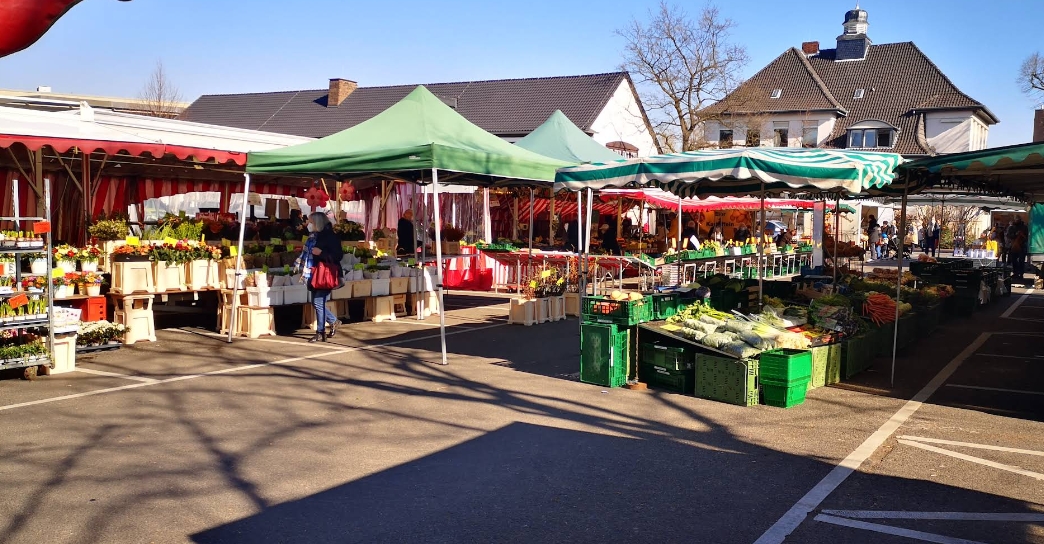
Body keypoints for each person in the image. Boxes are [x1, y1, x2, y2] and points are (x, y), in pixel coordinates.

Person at [296, 212, 344, 343]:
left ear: (317, 223)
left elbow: (338, 256)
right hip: (313, 271)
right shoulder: (313, 236)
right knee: (315, 302)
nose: (309, 225)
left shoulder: (330, 236)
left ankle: (320, 332)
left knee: (318, 302)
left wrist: (321, 253)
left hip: (325, 272)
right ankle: (333, 321)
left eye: (311, 222)